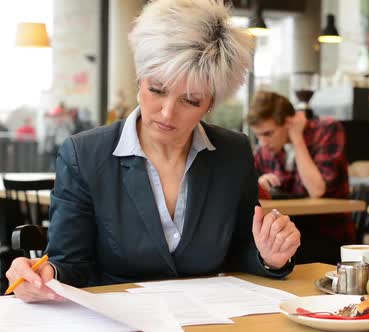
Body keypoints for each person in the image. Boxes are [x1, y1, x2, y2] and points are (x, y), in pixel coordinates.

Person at [6, 0, 300, 303]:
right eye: (157, 90)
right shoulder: (84, 155)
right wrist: (43, 274)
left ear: (211, 103)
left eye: (190, 100)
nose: (167, 113)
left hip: (211, 319)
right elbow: (71, 264)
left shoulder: (233, 152)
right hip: (117, 320)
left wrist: (269, 257)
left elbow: (240, 250)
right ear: (139, 78)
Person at [246, 91, 351, 263]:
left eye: (268, 134)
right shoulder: (265, 152)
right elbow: (250, 189)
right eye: (258, 135)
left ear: (288, 122)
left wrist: (297, 139)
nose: (262, 142)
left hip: (326, 234)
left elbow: (317, 190)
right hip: (283, 234)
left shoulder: (327, 130)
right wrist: (260, 185)